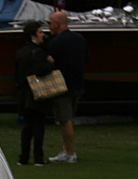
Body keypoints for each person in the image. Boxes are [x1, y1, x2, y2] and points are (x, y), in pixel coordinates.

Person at [47, 11, 89, 163]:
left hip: (62, 87)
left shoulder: (55, 43)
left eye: (50, 23)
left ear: (57, 24)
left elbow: (50, 64)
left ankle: (70, 152)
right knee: (69, 118)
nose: (49, 26)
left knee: (65, 120)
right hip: (78, 85)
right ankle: (66, 149)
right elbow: (86, 60)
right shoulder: (80, 39)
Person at [15, 21, 55, 167]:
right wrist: (49, 63)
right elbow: (40, 70)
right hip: (36, 93)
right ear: (33, 35)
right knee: (38, 126)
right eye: (39, 32)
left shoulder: (21, 52)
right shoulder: (38, 52)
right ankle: (38, 158)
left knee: (27, 127)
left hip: (24, 93)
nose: (43, 35)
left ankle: (23, 158)